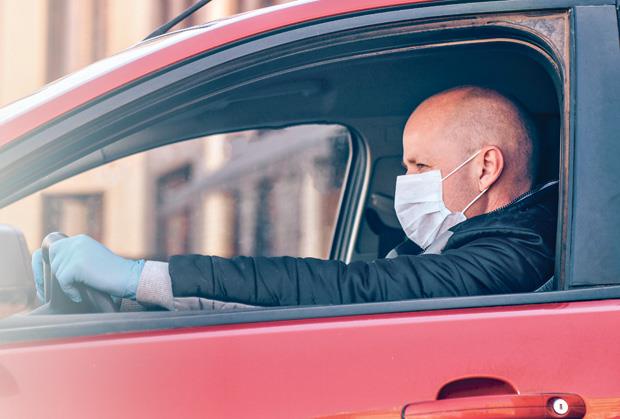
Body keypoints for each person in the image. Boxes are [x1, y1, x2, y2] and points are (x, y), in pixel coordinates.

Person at [32, 86, 558, 310]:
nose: (407, 182)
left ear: (486, 167)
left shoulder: (516, 258)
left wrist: (137, 276)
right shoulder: (472, 243)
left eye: (420, 166)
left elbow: (351, 290)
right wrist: (133, 295)